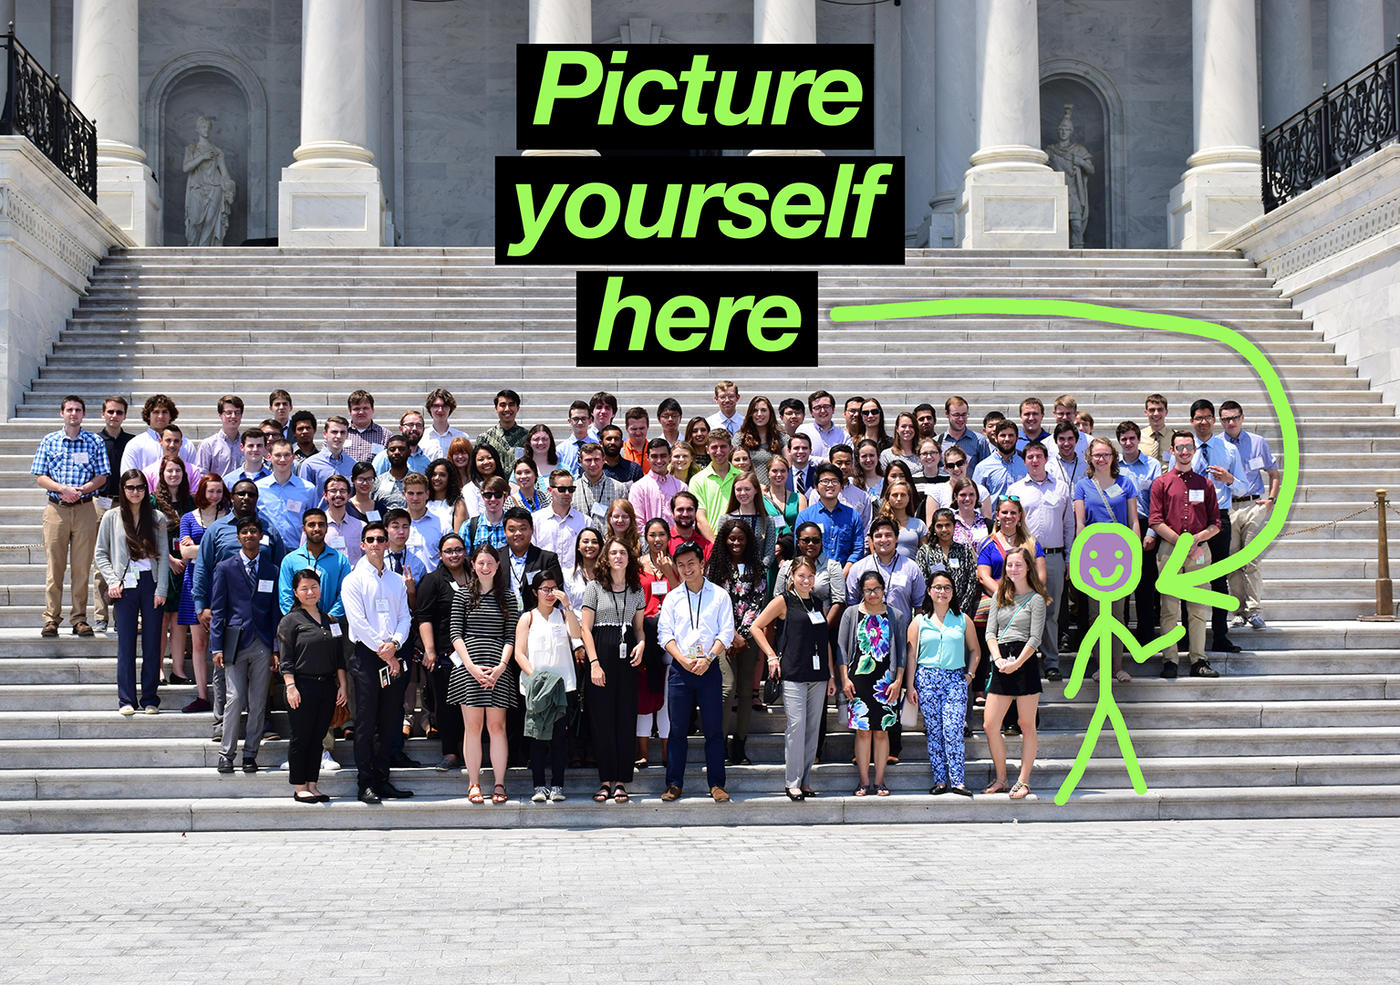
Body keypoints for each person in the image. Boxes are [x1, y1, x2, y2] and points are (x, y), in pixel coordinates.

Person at [341, 521, 415, 804]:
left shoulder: (396, 580)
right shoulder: (354, 580)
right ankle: (365, 783)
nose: (375, 544)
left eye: (380, 539)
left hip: (392, 656)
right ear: (362, 545)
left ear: (387, 544)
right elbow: (357, 623)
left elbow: (405, 617)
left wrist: (395, 644)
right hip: (366, 658)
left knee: (389, 720)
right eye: (369, 540)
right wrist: (384, 651)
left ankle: (383, 780)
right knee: (366, 722)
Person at [751, 556, 835, 801]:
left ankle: (806, 780)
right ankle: (792, 781)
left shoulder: (819, 602)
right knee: (796, 727)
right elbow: (757, 627)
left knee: (812, 729)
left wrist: (830, 674)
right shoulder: (784, 601)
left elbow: (825, 642)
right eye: (801, 576)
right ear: (792, 578)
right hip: (793, 673)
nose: (806, 580)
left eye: (810, 576)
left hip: (818, 675)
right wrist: (771, 656)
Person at [657, 541, 735, 804]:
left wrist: (709, 657)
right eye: (681, 565)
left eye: (691, 563)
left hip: (709, 668)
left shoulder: (720, 595)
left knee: (713, 729)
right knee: (677, 729)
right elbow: (664, 634)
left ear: (702, 564)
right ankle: (674, 783)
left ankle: (716, 784)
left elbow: (726, 632)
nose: (686, 569)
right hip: (681, 670)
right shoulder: (672, 598)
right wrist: (682, 659)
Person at [447, 543, 520, 805]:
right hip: (470, 667)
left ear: (498, 565)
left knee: (497, 726)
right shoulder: (462, 595)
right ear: (473, 565)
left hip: (498, 667)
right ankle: (474, 783)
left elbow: (511, 635)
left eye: (490, 562)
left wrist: (501, 667)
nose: (485, 567)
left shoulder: (508, 597)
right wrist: (471, 667)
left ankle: (499, 783)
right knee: (473, 727)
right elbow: (455, 633)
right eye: (480, 563)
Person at [32, 395, 110, 638]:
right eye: (69, 410)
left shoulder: (94, 441)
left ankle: (79, 619)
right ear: (61, 413)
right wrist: (61, 489)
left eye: (78, 410)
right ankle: (51, 618)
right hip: (56, 508)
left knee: (81, 568)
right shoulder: (50, 441)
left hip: (86, 508)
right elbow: (39, 475)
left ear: (84, 414)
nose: (73, 414)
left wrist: (82, 490)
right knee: (54, 567)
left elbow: (102, 476)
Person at [209, 516, 280, 773]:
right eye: (245, 532)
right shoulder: (225, 567)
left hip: (261, 642)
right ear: (238, 537)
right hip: (235, 641)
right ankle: (226, 754)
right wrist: (216, 646)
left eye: (254, 531)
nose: (250, 535)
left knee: (258, 701)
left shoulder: (271, 570)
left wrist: (275, 648)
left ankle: (251, 754)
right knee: (235, 698)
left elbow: (274, 611)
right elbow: (218, 610)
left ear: (261, 536)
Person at [1150, 430, 1223, 679]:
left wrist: (1195, 540)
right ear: (1172, 450)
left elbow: (1215, 523)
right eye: (1179, 447)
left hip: (1198, 550)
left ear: (1194, 450)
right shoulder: (1161, 483)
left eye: (1188, 447)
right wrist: (1181, 542)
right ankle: (1169, 659)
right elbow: (1155, 520)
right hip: (1170, 550)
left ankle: (1198, 660)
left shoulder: (1206, 484)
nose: (1183, 451)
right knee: (1169, 608)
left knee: (1197, 608)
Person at [95, 469, 168, 714]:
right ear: (123, 490)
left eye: (140, 487)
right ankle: (126, 699)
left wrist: (162, 588)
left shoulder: (157, 517)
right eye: (130, 488)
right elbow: (100, 553)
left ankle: (150, 698)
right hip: (124, 586)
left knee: (152, 643)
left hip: (150, 582)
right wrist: (112, 580)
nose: (135, 492)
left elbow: (164, 557)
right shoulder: (111, 517)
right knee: (125, 644)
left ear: (146, 490)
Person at [581, 537, 646, 803]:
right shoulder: (594, 587)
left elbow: (639, 627)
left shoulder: (636, 589)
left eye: (623, 552)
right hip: (602, 653)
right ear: (606, 558)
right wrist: (594, 663)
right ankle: (605, 780)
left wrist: (641, 646)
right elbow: (585, 628)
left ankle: (621, 780)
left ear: (629, 558)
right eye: (614, 552)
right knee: (602, 718)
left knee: (625, 717)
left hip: (627, 654)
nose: (618, 556)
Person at [982, 547, 1050, 799]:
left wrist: (1017, 663)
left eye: (1018, 565)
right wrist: (998, 658)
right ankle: (1001, 777)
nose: (1013, 569)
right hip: (1001, 660)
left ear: (1028, 568)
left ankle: (1023, 781)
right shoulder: (999, 594)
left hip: (1025, 660)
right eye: (1010, 565)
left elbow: (1035, 638)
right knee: (990, 724)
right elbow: (990, 632)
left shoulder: (1037, 599)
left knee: (1026, 724)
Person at [277, 568, 349, 803]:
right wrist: (290, 686)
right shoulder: (290, 621)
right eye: (304, 588)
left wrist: (343, 686)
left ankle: (313, 784)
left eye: (314, 587)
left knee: (319, 736)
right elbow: (286, 658)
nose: (310, 592)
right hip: (302, 686)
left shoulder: (330, 620)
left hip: (327, 686)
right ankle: (300, 786)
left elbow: (339, 657)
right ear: (296, 593)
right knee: (301, 737)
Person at [1073, 437, 1140, 683]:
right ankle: (1102, 663)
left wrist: (1136, 554)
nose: (1101, 459)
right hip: (1093, 556)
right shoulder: (1082, 486)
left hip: (1120, 555)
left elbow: (1133, 521)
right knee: (1096, 614)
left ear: (1114, 457)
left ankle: (1118, 666)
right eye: (1097, 455)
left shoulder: (1126, 483)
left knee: (1118, 614)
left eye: (1106, 455)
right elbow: (1080, 524)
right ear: (1090, 458)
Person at [908, 571, 980, 796]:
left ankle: (958, 781)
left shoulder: (962, 619)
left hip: (954, 680)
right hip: (927, 679)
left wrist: (969, 676)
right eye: (937, 587)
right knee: (935, 731)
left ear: (953, 592)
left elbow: (975, 650)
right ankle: (940, 780)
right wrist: (910, 686)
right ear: (929, 590)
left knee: (953, 729)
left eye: (947, 587)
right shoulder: (919, 621)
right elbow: (911, 656)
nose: (942, 591)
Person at [516, 568, 583, 803]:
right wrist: (536, 678)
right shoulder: (528, 617)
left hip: (562, 687)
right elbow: (519, 653)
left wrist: (568, 607)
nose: (549, 593)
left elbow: (577, 634)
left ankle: (557, 785)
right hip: (536, 687)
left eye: (553, 588)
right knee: (536, 737)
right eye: (544, 589)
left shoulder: (563, 615)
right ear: (535, 592)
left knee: (558, 738)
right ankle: (538, 786)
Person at [837, 571, 907, 796]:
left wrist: (898, 681)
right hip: (858, 681)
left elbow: (903, 653)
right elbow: (841, 649)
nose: (873, 593)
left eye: (877, 588)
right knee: (863, 732)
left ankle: (880, 781)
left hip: (886, 682)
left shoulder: (895, 615)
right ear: (861, 591)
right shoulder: (851, 613)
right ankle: (863, 781)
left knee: (881, 731)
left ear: (883, 589)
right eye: (868, 590)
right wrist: (844, 679)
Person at [1008, 442, 1074, 681]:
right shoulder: (1016, 489)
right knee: (1022, 610)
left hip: (1055, 556)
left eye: (1038, 456)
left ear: (1046, 458)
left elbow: (1069, 524)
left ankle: (1051, 662)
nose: (1034, 461)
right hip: (1024, 557)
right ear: (1024, 461)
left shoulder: (1062, 487)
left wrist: (1069, 557)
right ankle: (1024, 661)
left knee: (1050, 612)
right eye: (1030, 457)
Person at [706, 518, 768, 767]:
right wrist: (731, 634)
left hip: (750, 637)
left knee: (745, 692)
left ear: (748, 541)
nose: (736, 543)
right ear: (724, 540)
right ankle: (719, 743)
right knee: (727, 688)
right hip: (722, 638)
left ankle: (739, 745)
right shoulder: (716, 567)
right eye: (732, 538)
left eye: (741, 538)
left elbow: (758, 601)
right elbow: (713, 603)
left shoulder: (758, 568)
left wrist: (742, 634)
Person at [1220, 400, 1281, 630]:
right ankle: (1238, 611)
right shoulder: (1217, 445)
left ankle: (1255, 610)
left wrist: (1271, 500)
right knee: (1233, 560)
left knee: (1252, 559)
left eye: (1235, 417)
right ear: (1221, 421)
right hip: (1229, 507)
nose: (1231, 422)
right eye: (1226, 419)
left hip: (1254, 505)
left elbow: (1274, 473)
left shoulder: (1258, 443)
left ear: (1242, 417)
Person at [414, 531, 470, 772]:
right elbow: (423, 616)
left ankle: (471, 751)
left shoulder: (475, 576)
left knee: (472, 704)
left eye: (458, 549)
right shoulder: (432, 580)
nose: (454, 555)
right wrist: (429, 650)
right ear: (440, 554)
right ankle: (450, 753)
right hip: (444, 653)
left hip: (473, 652)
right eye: (448, 551)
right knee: (446, 705)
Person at [176, 474, 228, 713]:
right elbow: (184, 554)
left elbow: (229, 551)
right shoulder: (188, 518)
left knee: (223, 641)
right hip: (194, 582)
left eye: (219, 491)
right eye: (211, 491)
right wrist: (210, 548)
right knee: (198, 643)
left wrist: (197, 549)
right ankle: (202, 695)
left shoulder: (227, 516)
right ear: (202, 492)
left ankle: (223, 695)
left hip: (221, 582)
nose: (215, 496)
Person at [636, 519, 677, 769]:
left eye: (662, 534)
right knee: (644, 692)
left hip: (670, 633)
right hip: (645, 632)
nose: (657, 539)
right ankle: (642, 751)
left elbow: (682, 592)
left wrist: (670, 571)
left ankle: (665, 749)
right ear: (646, 537)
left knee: (666, 694)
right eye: (652, 535)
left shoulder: (675, 563)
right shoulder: (638, 565)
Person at [151, 455, 195, 684]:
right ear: (162, 474)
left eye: (177, 471)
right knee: (162, 619)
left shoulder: (191, 502)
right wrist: (169, 560)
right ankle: (157, 669)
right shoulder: (153, 501)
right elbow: (148, 536)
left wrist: (187, 559)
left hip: (186, 566)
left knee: (180, 620)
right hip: (162, 565)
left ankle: (178, 670)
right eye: (169, 471)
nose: (173, 475)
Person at [723, 470, 777, 572]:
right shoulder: (726, 519)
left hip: (758, 577)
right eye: (738, 489)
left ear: (756, 490)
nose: (743, 493)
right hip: (731, 576)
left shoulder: (768, 521)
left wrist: (759, 571)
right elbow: (722, 550)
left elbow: (769, 553)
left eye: (747, 489)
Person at [628, 439, 685, 528]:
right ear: (647, 457)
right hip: (648, 540)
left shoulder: (681, 487)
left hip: (677, 540)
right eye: (654, 456)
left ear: (670, 457)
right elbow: (637, 522)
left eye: (663, 456)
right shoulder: (638, 487)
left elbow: (686, 518)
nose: (659, 461)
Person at [300, 416, 355, 498]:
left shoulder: (352, 465)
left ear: (347, 435)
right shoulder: (310, 465)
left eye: (342, 432)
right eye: (334, 432)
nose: (339, 436)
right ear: (325, 434)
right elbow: (303, 496)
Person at [738, 395, 786, 479]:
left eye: (763, 410)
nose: (759, 414)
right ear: (750, 414)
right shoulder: (740, 438)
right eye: (755, 411)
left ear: (770, 413)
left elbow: (787, 467)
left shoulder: (782, 438)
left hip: (775, 489)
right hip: (748, 489)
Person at [477, 388, 528, 464]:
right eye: (503, 405)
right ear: (496, 408)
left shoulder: (527, 437)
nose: (507, 409)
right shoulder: (485, 438)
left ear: (517, 408)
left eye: (511, 404)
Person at [421, 388, 468, 461]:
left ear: (450, 408)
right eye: (436, 406)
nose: (440, 410)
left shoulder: (462, 437)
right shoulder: (421, 437)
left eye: (445, 406)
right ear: (430, 408)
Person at [425, 458, 465, 529]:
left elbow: (458, 534)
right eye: (434, 474)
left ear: (449, 478)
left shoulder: (458, 503)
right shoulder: (423, 500)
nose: (437, 478)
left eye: (442, 475)